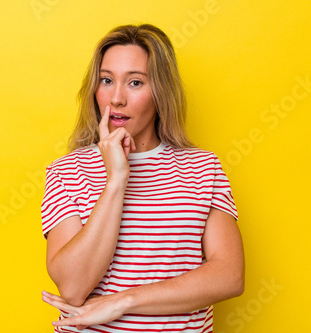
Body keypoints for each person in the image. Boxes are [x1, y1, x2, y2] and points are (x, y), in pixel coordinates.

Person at [40, 24, 244, 332]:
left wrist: (123, 301)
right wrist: (116, 180)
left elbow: (229, 275)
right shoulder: (67, 171)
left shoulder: (203, 167)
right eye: (106, 80)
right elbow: (73, 286)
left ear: (161, 91)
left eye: (135, 82)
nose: (117, 98)